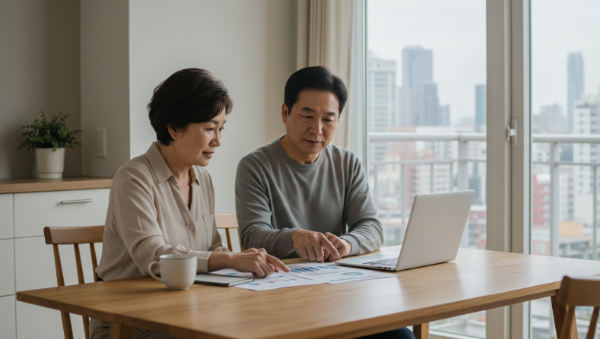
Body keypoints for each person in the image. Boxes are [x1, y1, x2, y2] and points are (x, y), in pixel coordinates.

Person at [91, 68, 289, 339]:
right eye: (209, 128)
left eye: (221, 129)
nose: (218, 141)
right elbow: (154, 256)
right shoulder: (133, 177)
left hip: (186, 310)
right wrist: (230, 258)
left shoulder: (203, 179)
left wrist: (240, 261)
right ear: (173, 128)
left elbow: (212, 246)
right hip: (129, 322)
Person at [235, 66, 415, 339]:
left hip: (341, 293)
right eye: (307, 116)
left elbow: (371, 226)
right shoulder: (255, 166)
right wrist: (294, 238)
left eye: (328, 119)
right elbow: (252, 235)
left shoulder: (347, 163)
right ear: (285, 113)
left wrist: (348, 243)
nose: (317, 129)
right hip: (281, 299)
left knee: (398, 335)